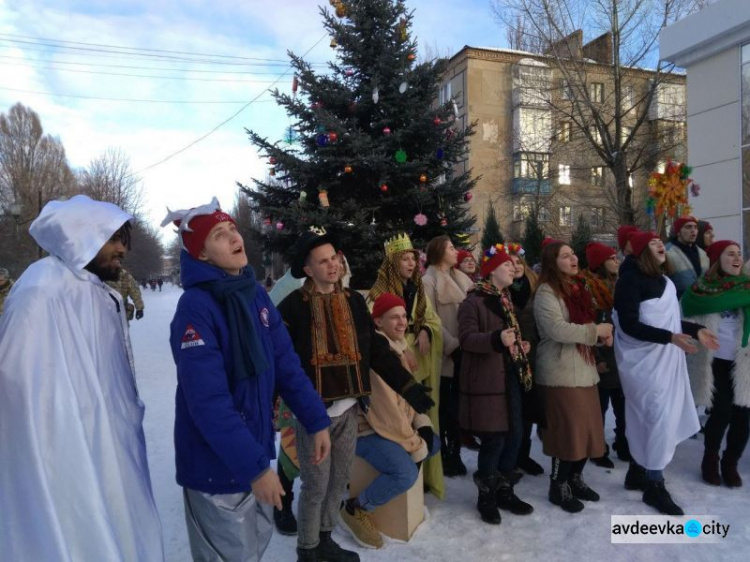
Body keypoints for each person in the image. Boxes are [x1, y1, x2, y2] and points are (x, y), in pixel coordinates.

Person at [162, 199, 331, 562]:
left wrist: (316, 419)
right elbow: (208, 404)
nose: (234, 237)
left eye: (233, 229)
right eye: (219, 235)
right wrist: (255, 469)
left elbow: (285, 364)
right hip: (213, 467)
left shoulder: (253, 293)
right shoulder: (195, 308)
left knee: (250, 549)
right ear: (203, 255)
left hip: (251, 452)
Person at [0, 195, 164, 560]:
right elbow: (18, 386)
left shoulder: (95, 290)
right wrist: (65, 437)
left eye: (124, 239)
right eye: (114, 237)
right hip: (66, 451)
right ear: (81, 237)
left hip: (105, 442)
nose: (122, 248)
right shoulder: (42, 290)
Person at [277, 228, 433, 562]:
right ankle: (307, 550)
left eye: (335, 257)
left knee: (339, 481)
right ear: (308, 269)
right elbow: (281, 363)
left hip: (350, 411)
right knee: (316, 486)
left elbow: (375, 350)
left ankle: (325, 539)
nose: (333, 265)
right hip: (313, 416)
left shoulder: (353, 302)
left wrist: (410, 389)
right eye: (323, 261)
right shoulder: (291, 309)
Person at [613, 231, 718, 515]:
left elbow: (671, 320)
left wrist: (696, 330)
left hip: (666, 359)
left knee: (655, 417)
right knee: (654, 416)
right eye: (652, 242)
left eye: (661, 241)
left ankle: (638, 470)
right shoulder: (629, 280)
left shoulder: (666, 282)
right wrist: (670, 338)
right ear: (640, 251)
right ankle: (654, 485)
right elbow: (629, 325)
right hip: (642, 363)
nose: (660, 245)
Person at [340, 293, 440, 549]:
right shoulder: (379, 354)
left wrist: (423, 425)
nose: (402, 322)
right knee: (406, 472)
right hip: (367, 432)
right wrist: (415, 445)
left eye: (404, 316)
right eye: (393, 317)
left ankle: (396, 497)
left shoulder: (398, 347)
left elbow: (409, 401)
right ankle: (355, 508)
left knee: (434, 442)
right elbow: (387, 416)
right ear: (377, 322)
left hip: (390, 427)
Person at [269, 251, 352, 536]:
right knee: (292, 446)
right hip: (299, 383)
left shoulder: (340, 284)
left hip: (332, 386)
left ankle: (321, 519)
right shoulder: (288, 289)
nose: (333, 264)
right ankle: (283, 501)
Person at [534, 241, 613, 513]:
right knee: (566, 433)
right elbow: (557, 329)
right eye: (565, 256)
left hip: (584, 369)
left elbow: (583, 326)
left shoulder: (578, 287)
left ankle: (575, 478)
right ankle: (558, 484)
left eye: (573, 254)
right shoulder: (546, 291)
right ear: (552, 262)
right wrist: (595, 331)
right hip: (560, 373)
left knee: (589, 430)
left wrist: (600, 337)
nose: (573, 259)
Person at [459, 246, 535, 525]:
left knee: (514, 436)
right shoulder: (474, 301)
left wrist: (518, 345)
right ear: (491, 271)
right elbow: (466, 339)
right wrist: (495, 339)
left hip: (509, 376)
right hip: (488, 381)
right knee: (494, 439)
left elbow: (508, 336)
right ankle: (486, 496)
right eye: (506, 266)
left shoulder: (505, 299)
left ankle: (504, 489)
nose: (512, 269)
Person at [368, 233, 444, 498]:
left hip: (418, 358)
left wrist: (424, 330)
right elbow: (375, 335)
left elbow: (429, 317)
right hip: (394, 363)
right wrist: (404, 349)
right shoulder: (379, 293)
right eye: (405, 258)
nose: (411, 263)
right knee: (399, 410)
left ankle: (419, 478)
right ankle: (403, 478)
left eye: (413, 258)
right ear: (392, 262)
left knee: (419, 411)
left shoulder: (417, 288)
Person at [682, 240, 750, 488]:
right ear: (717, 259)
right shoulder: (701, 290)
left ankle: (730, 463)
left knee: (743, 416)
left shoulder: (747, 287)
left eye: (739, 254)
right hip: (715, 361)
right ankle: (710, 459)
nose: (737, 258)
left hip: (744, 362)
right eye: (730, 254)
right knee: (721, 412)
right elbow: (686, 313)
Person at [422, 235, 474, 477]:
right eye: (452, 248)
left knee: (459, 407)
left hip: (466, 352)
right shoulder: (429, 280)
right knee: (447, 409)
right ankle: (446, 454)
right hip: (447, 356)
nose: (456, 252)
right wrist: (452, 346)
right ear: (439, 251)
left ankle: (455, 451)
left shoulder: (461, 277)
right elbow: (430, 319)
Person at [583, 242, 630, 467]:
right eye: (611, 258)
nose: (616, 261)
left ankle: (623, 442)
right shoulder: (589, 288)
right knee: (599, 408)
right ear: (600, 263)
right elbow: (587, 324)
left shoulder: (620, 285)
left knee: (623, 405)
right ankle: (597, 448)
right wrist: (597, 359)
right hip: (601, 355)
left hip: (621, 354)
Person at [506, 243, 545, 476]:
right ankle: (510, 458)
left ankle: (524, 455)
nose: (515, 266)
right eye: (510, 263)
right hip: (511, 356)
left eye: (518, 262)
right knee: (513, 409)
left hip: (535, 354)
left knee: (529, 407)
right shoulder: (502, 290)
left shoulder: (537, 287)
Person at [665, 215, 709, 298]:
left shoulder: (703, 254)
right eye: (688, 227)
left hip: (702, 302)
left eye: (695, 227)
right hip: (679, 304)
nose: (693, 230)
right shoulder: (667, 253)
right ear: (678, 232)